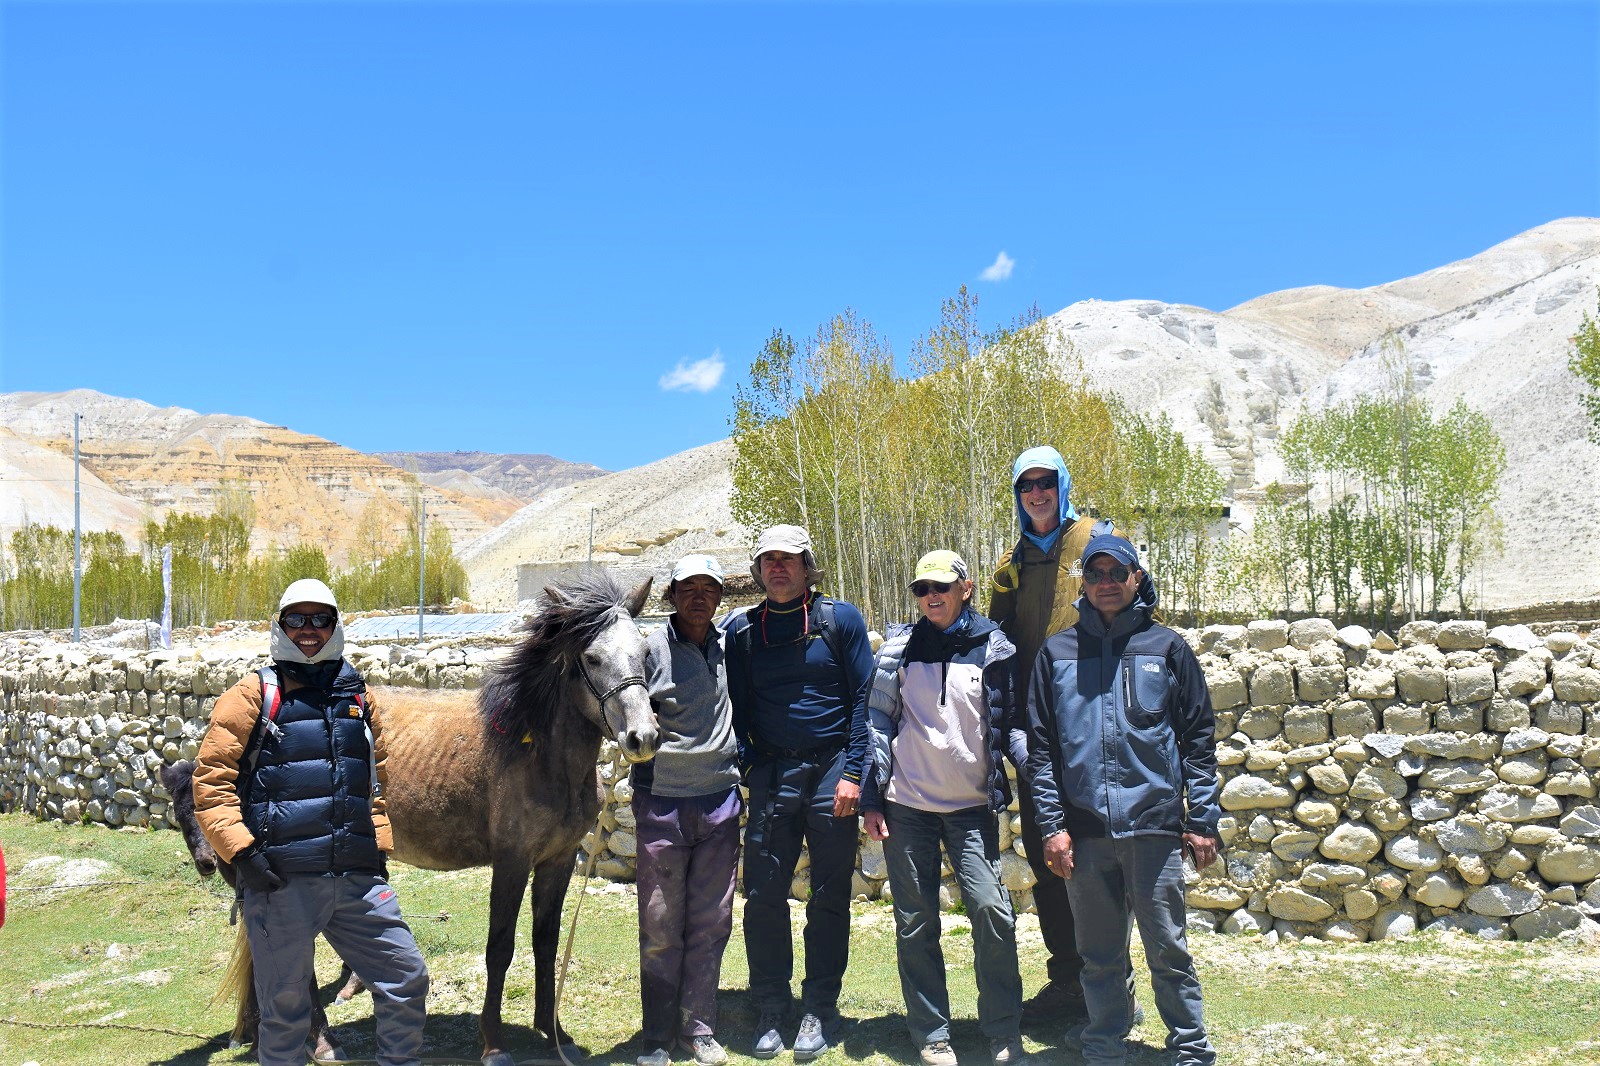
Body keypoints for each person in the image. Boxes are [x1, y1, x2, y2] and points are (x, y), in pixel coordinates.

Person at [193, 578, 429, 1066]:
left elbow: (376, 781)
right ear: (279, 626)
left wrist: (377, 848)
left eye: (320, 619)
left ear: (335, 625)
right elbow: (210, 784)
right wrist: (244, 854)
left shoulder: (358, 695)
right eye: (296, 619)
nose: (308, 630)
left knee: (406, 977)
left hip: (357, 879)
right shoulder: (252, 695)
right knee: (284, 1014)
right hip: (281, 883)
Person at [1025, 534, 1221, 1066]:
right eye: (1096, 574)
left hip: (1153, 827)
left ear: (1137, 578)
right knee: (1099, 957)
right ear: (1082, 584)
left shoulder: (1168, 649)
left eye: (1117, 573)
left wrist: (1202, 819)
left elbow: (1198, 741)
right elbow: (1041, 751)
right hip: (1084, 833)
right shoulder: (1057, 653)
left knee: (1168, 950)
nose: (1106, 583)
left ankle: (1190, 1047)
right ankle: (1105, 1044)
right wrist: (1052, 827)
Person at [863, 550, 1029, 1066]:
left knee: (991, 910)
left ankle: (1002, 1030)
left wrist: (1038, 772)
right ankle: (931, 1033)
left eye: (941, 586)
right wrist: (872, 796)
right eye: (921, 589)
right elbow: (875, 721)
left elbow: (1012, 724)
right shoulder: (899, 650)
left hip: (971, 808)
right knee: (916, 922)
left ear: (967, 587)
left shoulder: (994, 647)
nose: (930, 596)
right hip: (906, 804)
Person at [986, 445, 1133, 1022]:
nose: (1038, 494)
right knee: (1051, 854)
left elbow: (1136, 616)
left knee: (1103, 856)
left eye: (1047, 482)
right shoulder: (1010, 563)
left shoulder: (1098, 541)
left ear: (1063, 485)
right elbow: (993, 647)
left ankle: (1115, 985)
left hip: (1097, 725)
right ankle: (1067, 979)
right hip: (1036, 736)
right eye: (1027, 486)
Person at [723, 524, 873, 1059]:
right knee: (763, 895)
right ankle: (771, 1007)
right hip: (772, 775)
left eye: (788, 560)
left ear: (808, 566)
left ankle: (819, 1008)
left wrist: (854, 774)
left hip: (833, 769)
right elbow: (736, 710)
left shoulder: (840, 620)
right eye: (768, 561)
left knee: (829, 896)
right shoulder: (741, 633)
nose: (778, 569)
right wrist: (751, 763)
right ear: (758, 570)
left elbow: (864, 703)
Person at [633, 554, 743, 1066]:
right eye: (688, 587)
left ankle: (698, 1029)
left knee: (711, 921)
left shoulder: (728, 644)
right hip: (663, 801)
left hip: (720, 799)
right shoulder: (648, 648)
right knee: (660, 922)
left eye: (709, 588)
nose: (699, 596)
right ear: (671, 595)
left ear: (720, 597)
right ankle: (656, 1035)